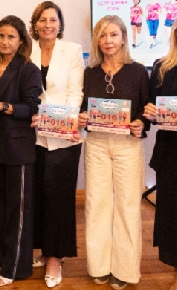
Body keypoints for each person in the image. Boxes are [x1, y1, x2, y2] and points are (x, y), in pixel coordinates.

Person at [77, 15, 149, 290]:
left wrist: (142, 121)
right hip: (96, 144)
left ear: (123, 38)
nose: (108, 40)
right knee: (96, 205)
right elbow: (83, 107)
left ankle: (125, 269)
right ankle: (99, 265)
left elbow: (148, 108)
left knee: (128, 206)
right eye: (103, 35)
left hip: (127, 146)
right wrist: (82, 117)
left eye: (113, 35)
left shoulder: (138, 71)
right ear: (97, 39)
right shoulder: (89, 73)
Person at [0, 15, 42, 287]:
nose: (5, 41)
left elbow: (31, 108)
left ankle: (14, 267)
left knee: (17, 211)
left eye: (11, 37)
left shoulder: (29, 69)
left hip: (18, 149)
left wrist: (2, 106)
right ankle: (1, 257)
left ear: (21, 41)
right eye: (1, 35)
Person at [29, 2, 84, 288]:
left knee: (59, 197)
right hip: (33, 136)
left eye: (53, 19)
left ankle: (55, 258)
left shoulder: (72, 51)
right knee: (38, 194)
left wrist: (65, 121)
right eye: (42, 20)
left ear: (60, 24)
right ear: (35, 24)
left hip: (65, 136)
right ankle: (43, 250)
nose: (48, 25)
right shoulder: (27, 50)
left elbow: (76, 93)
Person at [144, 20, 177, 290]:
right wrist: (151, 112)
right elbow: (152, 108)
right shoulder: (161, 67)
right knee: (173, 214)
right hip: (171, 153)